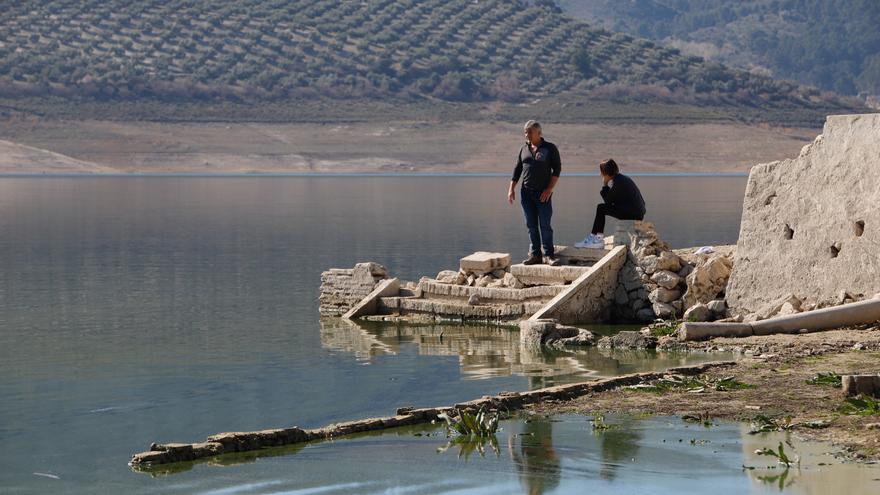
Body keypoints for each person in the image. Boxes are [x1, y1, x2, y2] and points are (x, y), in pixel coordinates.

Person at [508, 120, 561, 265]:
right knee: (531, 225)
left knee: (545, 224)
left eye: (530, 132)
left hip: (543, 193)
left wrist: (549, 189)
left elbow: (557, 169)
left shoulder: (549, 148)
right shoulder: (523, 149)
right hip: (526, 193)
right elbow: (517, 170)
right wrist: (511, 189)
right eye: (525, 132)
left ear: (539, 132)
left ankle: (548, 255)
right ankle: (536, 255)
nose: (527, 135)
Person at [576, 158, 645, 248]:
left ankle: (597, 239)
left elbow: (608, 201)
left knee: (601, 208)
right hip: (636, 212)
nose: (600, 174)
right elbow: (612, 200)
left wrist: (605, 184)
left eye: (601, 171)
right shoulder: (621, 179)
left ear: (606, 172)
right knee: (602, 208)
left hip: (633, 214)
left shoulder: (619, 182)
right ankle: (594, 237)